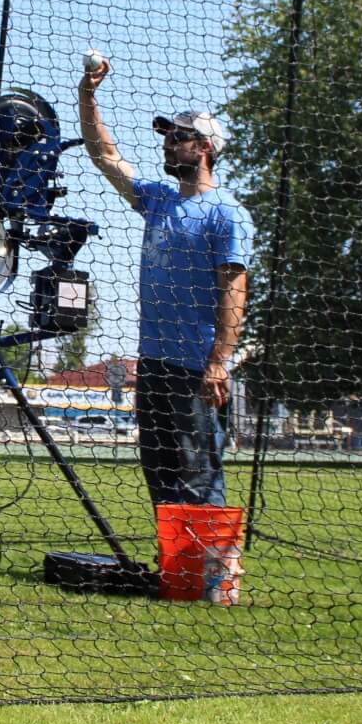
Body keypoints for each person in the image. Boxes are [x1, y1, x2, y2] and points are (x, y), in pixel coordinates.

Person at [77, 57, 251, 507]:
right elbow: (105, 155)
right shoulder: (157, 200)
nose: (168, 145)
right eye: (167, 137)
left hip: (196, 369)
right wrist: (88, 96)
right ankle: (175, 576)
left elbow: (234, 291)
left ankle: (211, 578)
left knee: (199, 478)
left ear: (205, 147)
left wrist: (219, 362)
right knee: (161, 479)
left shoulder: (226, 213)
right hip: (153, 365)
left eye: (178, 137)